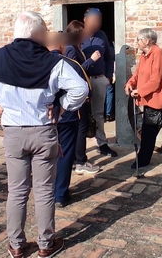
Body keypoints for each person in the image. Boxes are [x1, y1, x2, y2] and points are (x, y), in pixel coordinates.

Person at [0, 12, 88, 258]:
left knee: (17, 191)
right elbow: (81, 88)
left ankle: (17, 246)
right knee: (43, 191)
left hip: (14, 134)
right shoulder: (55, 62)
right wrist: (63, 105)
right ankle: (45, 244)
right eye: (45, 31)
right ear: (37, 34)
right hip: (43, 132)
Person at [124, 28, 162, 174]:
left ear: (147, 41)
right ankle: (143, 159)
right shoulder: (144, 56)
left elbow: (156, 80)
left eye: (138, 39)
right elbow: (138, 74)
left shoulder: (158, 53)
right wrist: (130, 83)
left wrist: (140, 91)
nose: (137, 42)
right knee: (148, 131)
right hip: (152, 99)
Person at [46, 32, 92, 207]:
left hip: (41, 117)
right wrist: (64, 106)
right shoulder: (71, 64)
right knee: (64, 156)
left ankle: (46, 192)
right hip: (66, 117)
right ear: (61, 46)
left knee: (45, 156)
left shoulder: (35, 63)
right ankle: (59, 194)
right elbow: (86, 89)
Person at [64, 20, 101, 174]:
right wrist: (91, 60)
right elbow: (75, 71)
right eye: (83, 33)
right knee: (81, 127)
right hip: (78, 95)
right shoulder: (70, 49)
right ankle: (80, 161)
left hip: (82, 93)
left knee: (80, 127)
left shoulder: (76, 47)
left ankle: (75, 159)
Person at [80, 8, 118, 157]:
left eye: (99, 19)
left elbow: (109, 56)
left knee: (99, 114)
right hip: (83, 82)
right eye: (94, 19)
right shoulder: (77, 34)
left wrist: (108, 76)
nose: (98, 22)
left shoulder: (102, 36)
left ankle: (102, 143)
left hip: (99, 79)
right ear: (85, 19)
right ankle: (79, 149)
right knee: (81, 115)